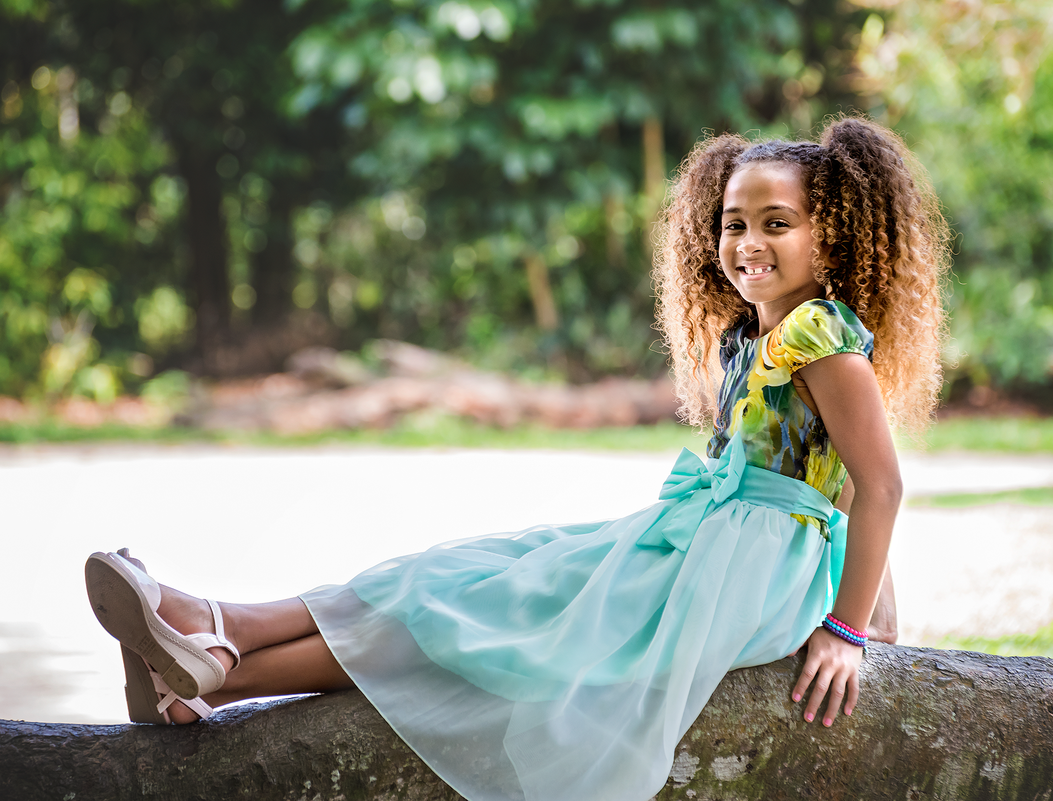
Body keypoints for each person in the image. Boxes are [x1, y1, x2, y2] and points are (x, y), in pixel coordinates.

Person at [85, 114, 949, 801]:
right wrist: (875, 613)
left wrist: (851, 629)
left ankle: (216, 638)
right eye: (733, 224)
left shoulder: (820, 332)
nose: (748, 242)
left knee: (496, 614)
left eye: (777, 223)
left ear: (829, 238)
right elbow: (840, 485)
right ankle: (213, 656)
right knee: (474, 575)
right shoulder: (748, 335)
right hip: (707, 545)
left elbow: (877, 484)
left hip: (750, 577)